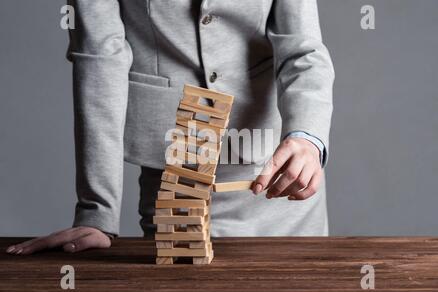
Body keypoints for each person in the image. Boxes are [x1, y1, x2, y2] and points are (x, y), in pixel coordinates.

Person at [7, 0, 334, 255]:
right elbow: (99, 58)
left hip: (279, 178)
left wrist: (306, 137)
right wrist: (97, 214)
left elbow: (302, 50)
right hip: (175, 184)